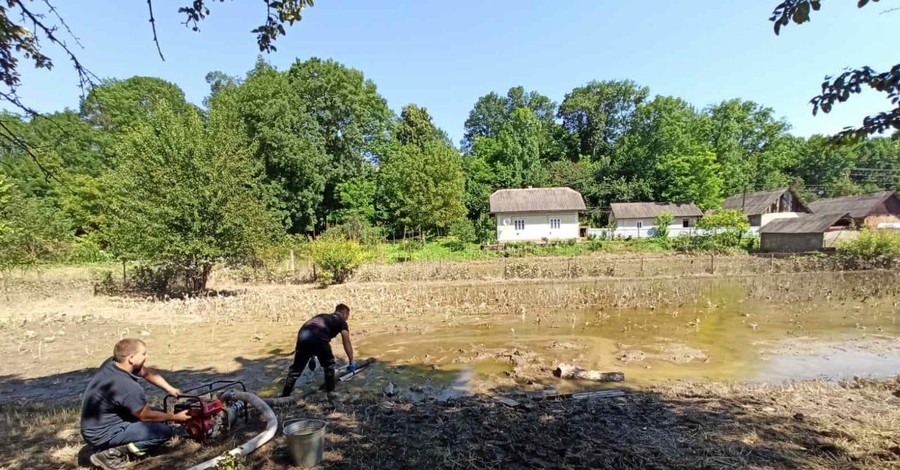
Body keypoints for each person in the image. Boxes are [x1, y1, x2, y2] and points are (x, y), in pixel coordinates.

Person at [80, 338, 190, 470]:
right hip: (102, 434)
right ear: (131, 358)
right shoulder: (127, 386)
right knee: (163, 432)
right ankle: (111, 455)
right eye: (143, 354)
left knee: (160, 414)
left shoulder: (114, 363)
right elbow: (145, 416)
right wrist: (176, 418)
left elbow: (146, 372)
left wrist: (170, 388)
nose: (146, 356)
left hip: (97, 424)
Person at [281, 303, 355, 398]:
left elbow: (310, 334)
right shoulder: (341, 322)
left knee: (295, 369)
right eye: (348, 316)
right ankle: (330, 393)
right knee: (329, 365)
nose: (347, 318)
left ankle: (285, 395)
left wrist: (311, 357)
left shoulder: (321, 316)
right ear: (345, 313)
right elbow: (346, 342)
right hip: (319, 336)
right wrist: (351, 360)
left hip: (303, 334)